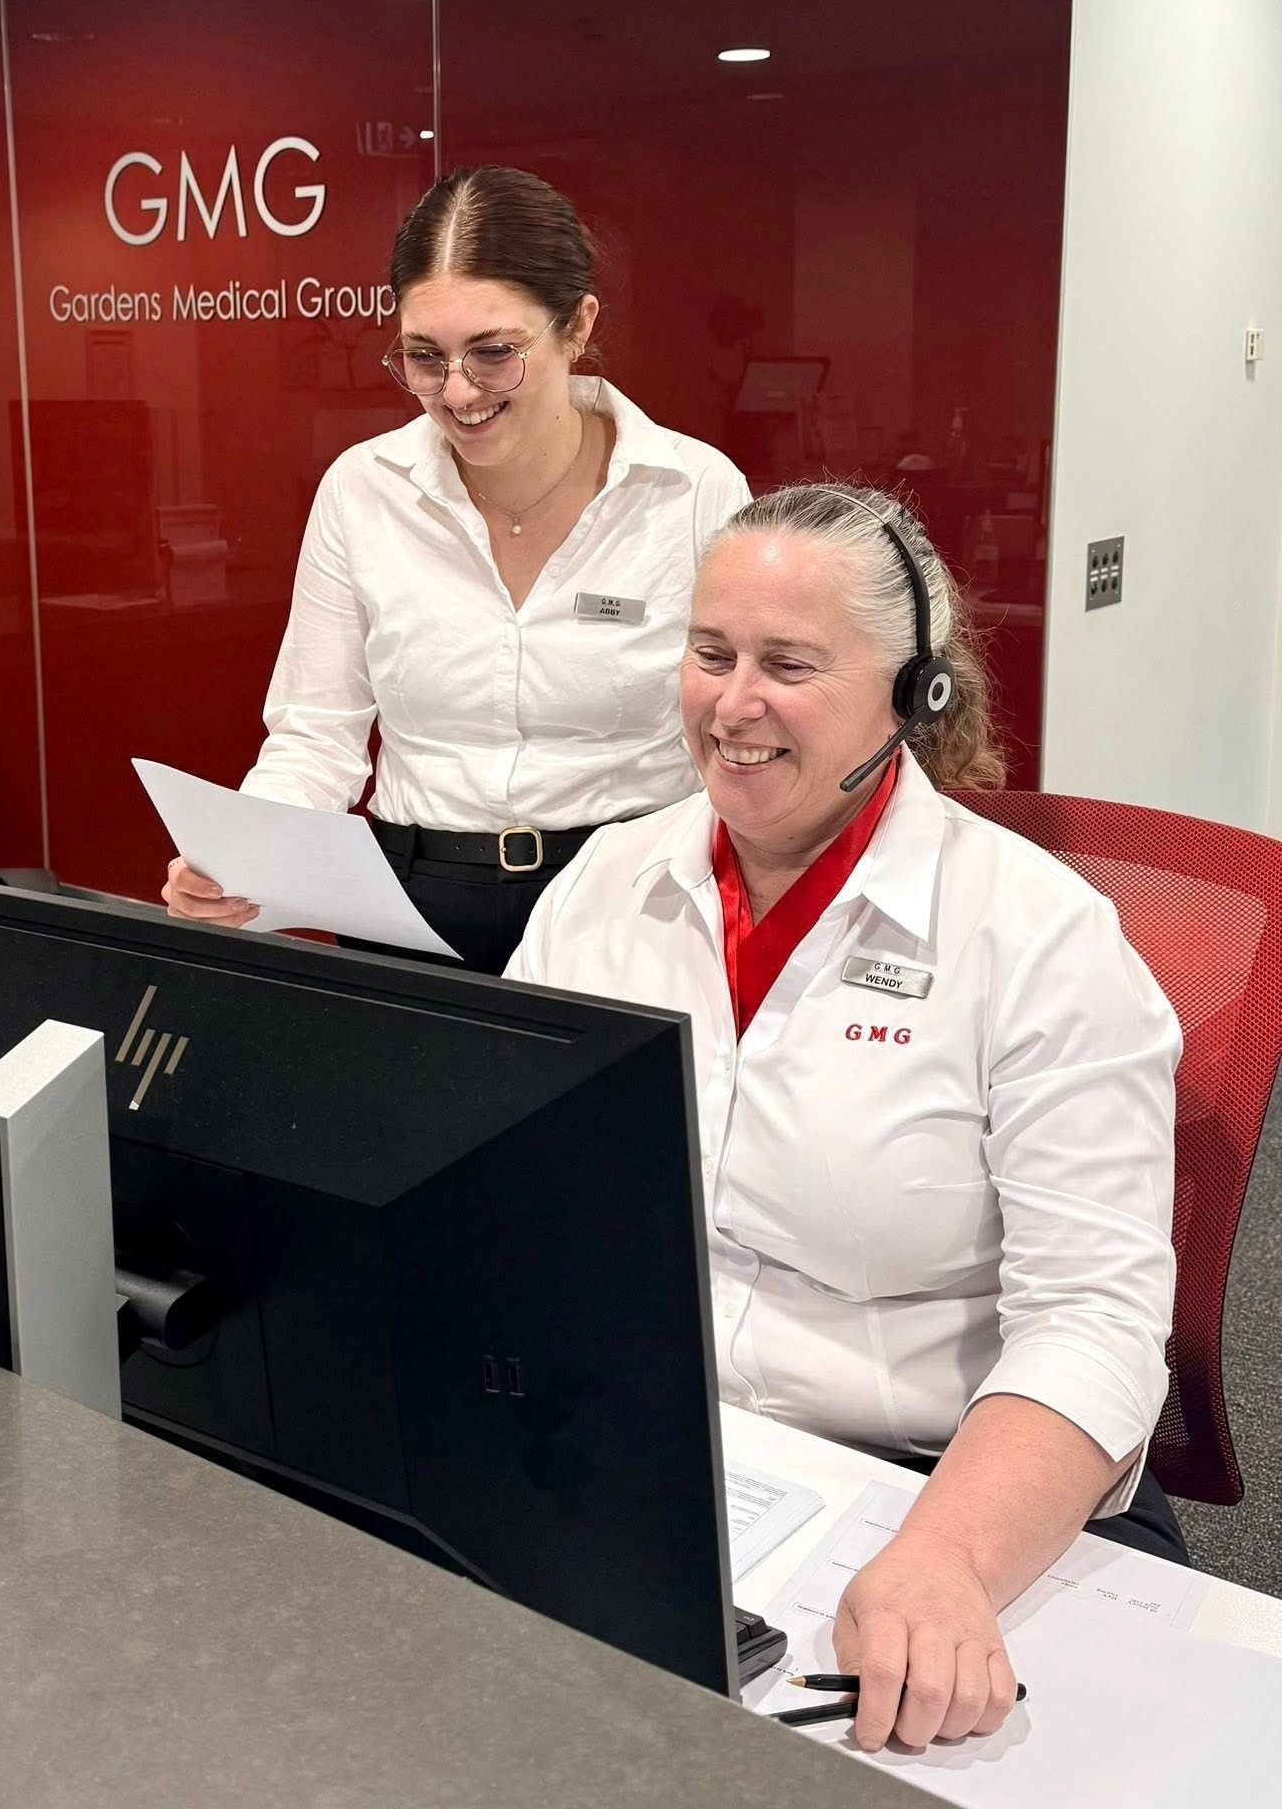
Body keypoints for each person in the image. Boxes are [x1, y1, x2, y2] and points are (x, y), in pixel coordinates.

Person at [506, 482, 1180, 1753]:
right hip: (663, 1450)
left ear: (912, 694)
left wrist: (947, 1559)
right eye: (710, 653)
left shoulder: (1036, 938)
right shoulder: (604, 885)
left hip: (936, 1487)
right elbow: (505, 1193)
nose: (732, 701)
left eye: (790, 664)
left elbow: (1096, 1321)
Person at [163, 167, 751, 969]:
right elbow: (315, 736)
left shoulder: (691, 491)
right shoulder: (363, 490)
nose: (457, 391)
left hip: (632, 901)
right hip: (410, 903)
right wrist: (243, 860)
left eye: (494, 353)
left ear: (577, 327)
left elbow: (738, 724)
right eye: (423, 357)